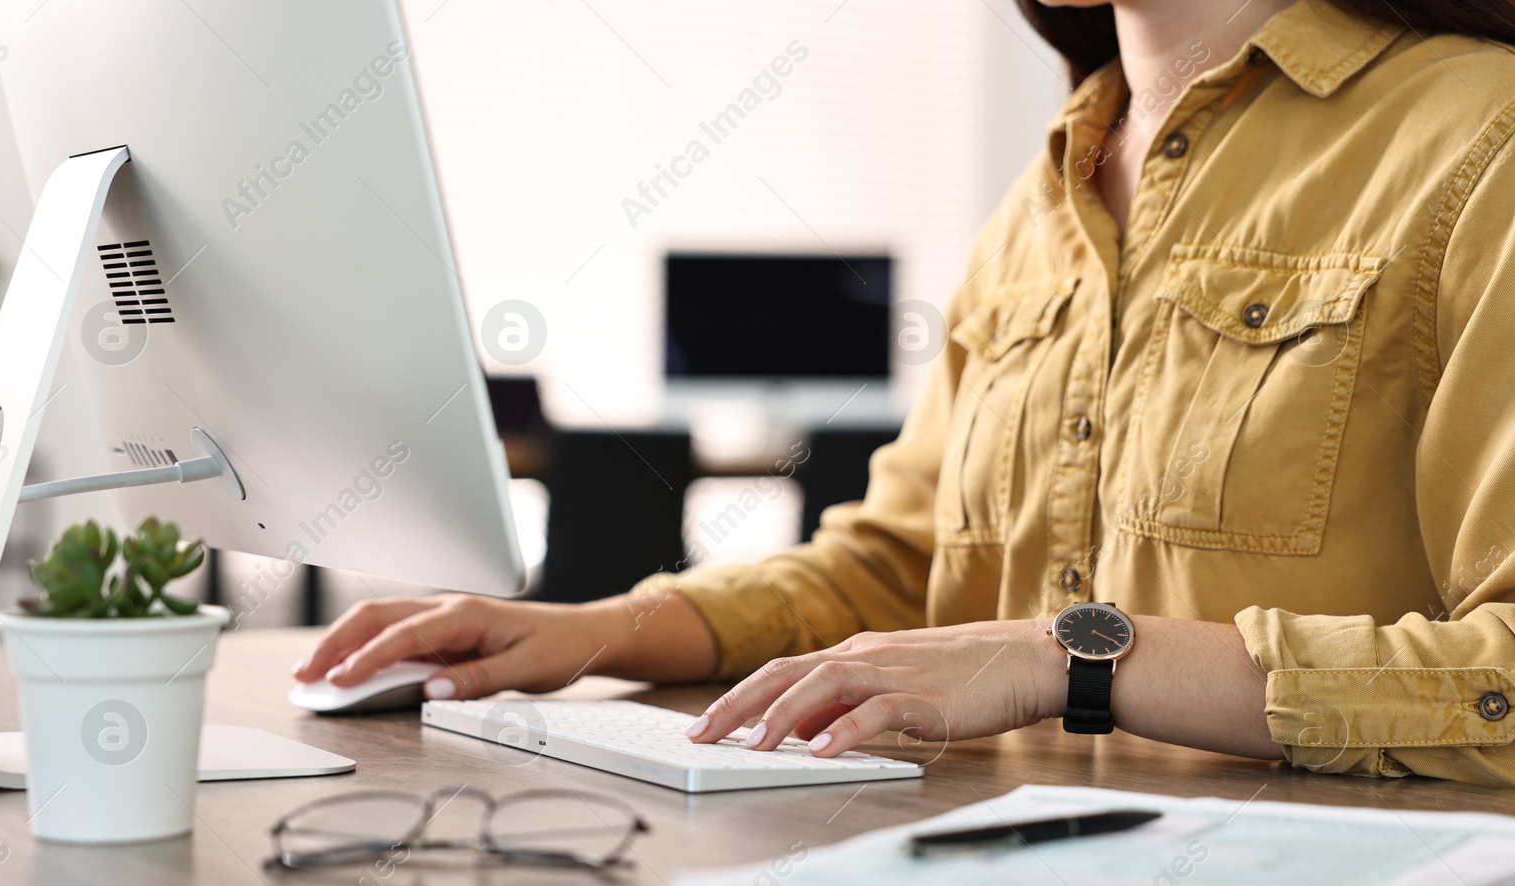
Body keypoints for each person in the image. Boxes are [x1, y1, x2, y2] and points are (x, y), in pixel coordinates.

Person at [295, 0, 1515, 787]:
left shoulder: (1480, 140)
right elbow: (896, 568)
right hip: (992, 880)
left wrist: (1074, 656)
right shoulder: (1049, 189)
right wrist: (594, 628)